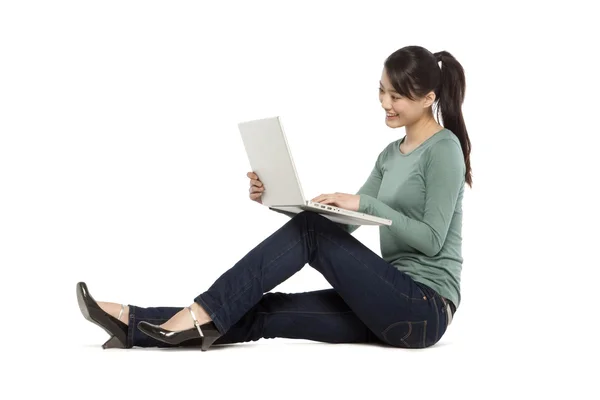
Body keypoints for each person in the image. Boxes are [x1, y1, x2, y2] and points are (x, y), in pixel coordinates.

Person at [76, 45, 472, 351]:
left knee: (311, 233)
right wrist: (279, 201)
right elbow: (345, 226)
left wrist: (362, 204)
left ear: (427, 98)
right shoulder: (390, 155)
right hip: (386, 302)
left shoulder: (444, 149)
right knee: (268, 310)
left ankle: (201, 311)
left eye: (397, 96)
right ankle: (133, 324)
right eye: (382, 91)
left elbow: (431, 239)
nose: (385, 103)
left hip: (423, 309)